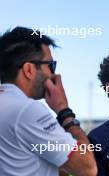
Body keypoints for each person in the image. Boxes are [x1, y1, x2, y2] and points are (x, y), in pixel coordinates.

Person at [0, 27, 97, 176]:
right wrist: (64, 111)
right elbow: (88, 168)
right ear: (29, 70)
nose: (54, 74)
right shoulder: (28, 110)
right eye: (51, 65)